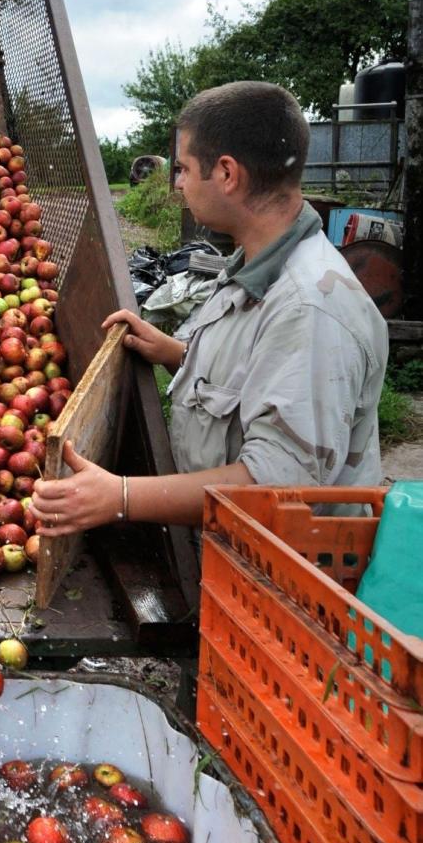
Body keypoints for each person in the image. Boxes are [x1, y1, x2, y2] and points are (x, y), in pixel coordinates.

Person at [30, 81, 389, 538]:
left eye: (182, 168)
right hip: (229, 558)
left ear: (226, 174)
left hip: (278, 588)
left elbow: (277, 486)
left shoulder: (309, 309)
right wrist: (175, 352)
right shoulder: (255, 265)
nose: (177, 183)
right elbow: (259, 375)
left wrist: (120, 497)